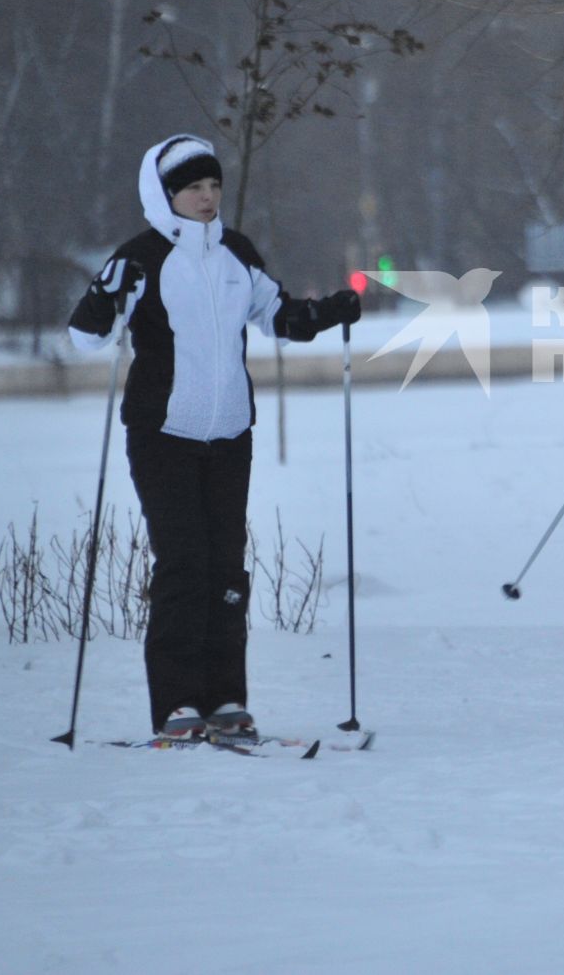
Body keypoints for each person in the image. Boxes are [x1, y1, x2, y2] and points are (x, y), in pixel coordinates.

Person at [67, 134, 360, 739]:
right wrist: (104, 291)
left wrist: (329, 311)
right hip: (163, 433)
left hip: (229, 434)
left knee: (227, 570)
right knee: (183, 564)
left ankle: (226, 700)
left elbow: (279, 317)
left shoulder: (236, 253)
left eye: (213, 186)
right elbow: (85, 336)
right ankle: (177, 705)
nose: (206, 198)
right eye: (193, 188)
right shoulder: (141, 258)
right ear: (166, 193)